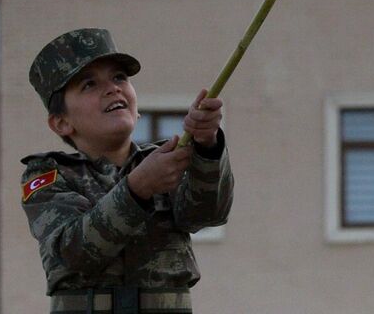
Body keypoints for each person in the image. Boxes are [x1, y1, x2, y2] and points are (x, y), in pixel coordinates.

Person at [19, 28, 233, 313]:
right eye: (89, 84)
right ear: (61, 123)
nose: (113, 88)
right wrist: (138, 188)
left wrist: (207, 145)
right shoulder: (50, 174)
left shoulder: (165, 160)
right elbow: (74, 251)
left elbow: (207, 213)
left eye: (119, 77)